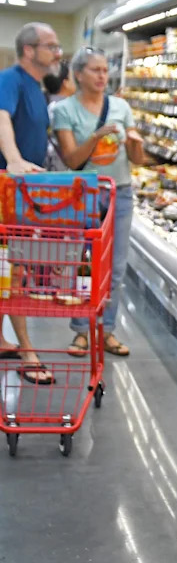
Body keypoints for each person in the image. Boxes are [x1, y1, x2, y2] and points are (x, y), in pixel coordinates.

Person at [53, 47, 145, 358]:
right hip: (84, 194)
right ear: (78, 74)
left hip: (120, 192)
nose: (102, 76)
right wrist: (97, 136)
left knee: (116, 268)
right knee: (82, 265)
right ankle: (81, 331)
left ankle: (106, 330)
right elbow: (72, 159)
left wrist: (136, 145)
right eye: (95, 70)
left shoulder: (121, 106)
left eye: (105, 70)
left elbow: (136, 160)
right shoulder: (65, 110)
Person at [0, 22, 64, 385]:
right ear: (29, 50)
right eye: (51, 46)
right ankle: (27, 351)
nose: (57, 53)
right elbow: (1, 117)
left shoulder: (37, 88)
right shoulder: (10, 79)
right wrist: (13, 158)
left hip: (24, 192)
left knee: (8, 270)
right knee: (16, 270)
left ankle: (4, 338)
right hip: (7, 189)